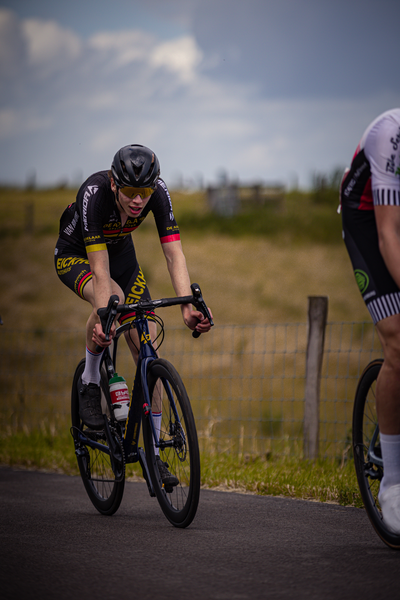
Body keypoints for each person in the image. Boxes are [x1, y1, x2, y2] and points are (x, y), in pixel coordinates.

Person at [55, 144, 212, 484]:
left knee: (147, 346)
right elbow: (98, 270)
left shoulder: (157, 192)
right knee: (112, 297)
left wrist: (187, 304)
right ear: (115, 184)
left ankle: (153, 456)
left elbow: (174, 254)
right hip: (78, 254)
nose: (138, 200)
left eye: (145, 192)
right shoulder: (95, 194)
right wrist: (104, 319)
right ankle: (90, 381)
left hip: (122, 254)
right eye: (130, 192)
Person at [340, 108, 400, 534]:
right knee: (398, 342)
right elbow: (388, 235)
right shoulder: (389, 134)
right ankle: (394, 484)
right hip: (369, 222)